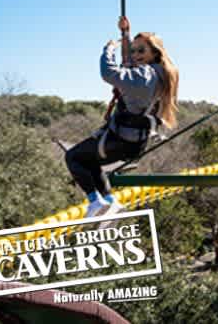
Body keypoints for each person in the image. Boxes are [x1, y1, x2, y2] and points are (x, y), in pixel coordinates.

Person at [65, 16, 179, 218]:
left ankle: (94, 201)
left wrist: (108, 49)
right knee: (91, 162)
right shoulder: (161, 74)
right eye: (134, 50)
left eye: (141, 51)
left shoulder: (145, 77)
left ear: (155, 52)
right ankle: (109, 201)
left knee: (73, 157)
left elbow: (109, 73)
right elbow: (130, 63)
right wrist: (125, 34)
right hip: (134, 141)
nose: (136, 55)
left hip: (120, 139)